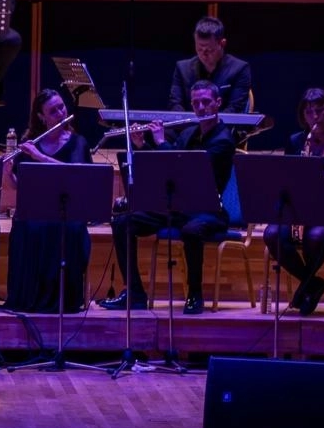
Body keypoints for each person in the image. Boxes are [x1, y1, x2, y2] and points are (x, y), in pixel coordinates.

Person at [99, 79, 234, 315]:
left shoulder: (224, 140)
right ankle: (134, 293)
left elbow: (189, 170)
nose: (201, 108)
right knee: (122, 223)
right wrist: (142, 145)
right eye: (196, 103)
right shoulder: (190, 133)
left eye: (206, 102)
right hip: (178, 207)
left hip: (208, 209)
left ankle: (195, 294)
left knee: (192, 230)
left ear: (218, 103)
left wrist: (161, 141)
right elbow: (165, 168)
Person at [262, 88, 324, 317]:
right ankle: (312, 283)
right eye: (309, 112)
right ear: (302, 115)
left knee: (315, 237)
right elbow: (286, 178)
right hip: (299, 207)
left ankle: (307, 287)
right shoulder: (296, 141)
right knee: (272, 234)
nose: (315, 117)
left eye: (320, 110)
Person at [5, 88, 92, 313]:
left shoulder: (78, 142)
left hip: (69, 210)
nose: (61, 113)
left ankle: (64, 299)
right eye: (53, 111)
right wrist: (7, 171)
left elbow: (77, 174)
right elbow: (17, 184)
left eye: (61, 107)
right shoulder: (30, 142)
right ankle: (30, 298)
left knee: (69, 230)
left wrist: (39, 157)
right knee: (25, 226)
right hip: (38, 208)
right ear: (41, 117)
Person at [169, 16, 252, 114]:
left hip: (224, 123)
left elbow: (235, 108)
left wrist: (210, 122)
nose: (203, 55)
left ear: (222, 44)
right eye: (199, 49)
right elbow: (175, 104)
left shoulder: (240, 69)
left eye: (209, 50)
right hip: (189, 123)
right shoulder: (182, 68)